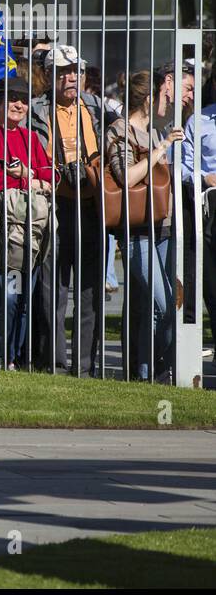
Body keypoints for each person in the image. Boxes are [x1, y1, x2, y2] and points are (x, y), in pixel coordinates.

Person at [29, 43, 117, 375]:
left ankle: (85, 365)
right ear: (49, 75)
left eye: (75, 71)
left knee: (91, 291)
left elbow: (135, 117)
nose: (70, 77)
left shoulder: (96, 105)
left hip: (92, 205)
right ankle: (54, 363)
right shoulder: (38, 108)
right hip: (55, 204)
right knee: (54, 291)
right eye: (63, 71)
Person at [0, 81, 55, 370]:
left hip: (33, 226)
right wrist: (27, 179)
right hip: (5, 228)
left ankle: (13, 357)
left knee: (25, 298)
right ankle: (0, 357)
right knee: (9, 296)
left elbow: (51, 178)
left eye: (23, 100)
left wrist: (24, 174)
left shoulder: (31, 138)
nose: (19, 105)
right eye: (12, 99)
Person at [105, 71, 184, 384]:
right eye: (163, 96)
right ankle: (149, 368)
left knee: (152, 307)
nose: (167, 100)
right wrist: (162, 147)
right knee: (163, 305)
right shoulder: (119, 131)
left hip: (161, 227)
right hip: (136, 230)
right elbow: (126, 176)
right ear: (149, 99)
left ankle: (148, 372)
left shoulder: (152, 130)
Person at [180, 76, 216, 346]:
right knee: (211, 284)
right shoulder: (198, 121)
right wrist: (205, 177)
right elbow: (184, 165)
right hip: (210, 205)